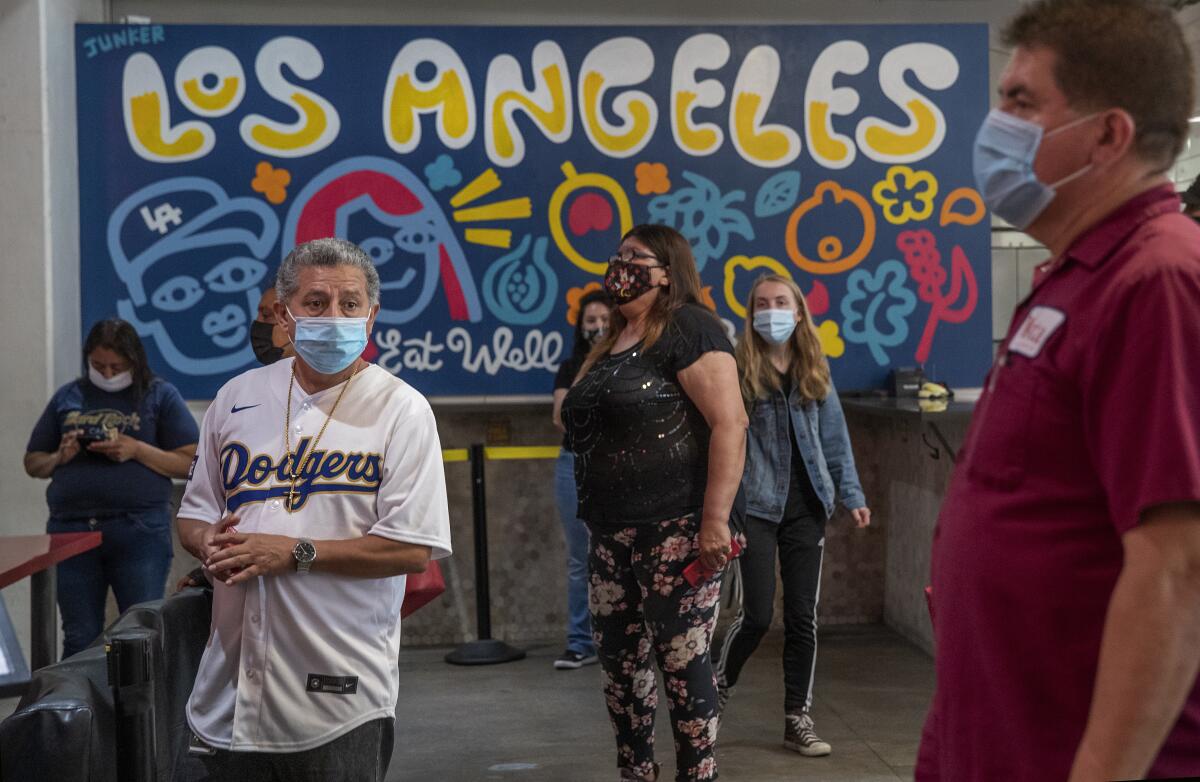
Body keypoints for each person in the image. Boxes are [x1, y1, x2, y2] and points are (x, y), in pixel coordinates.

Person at [917, 1, 1200, 780]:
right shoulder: (1076, 278)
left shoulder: (1159, 282)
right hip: (1003, 739)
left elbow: (1176, 570)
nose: (994, 123)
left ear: (1108, 135)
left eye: (1020, 101)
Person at [176, 237, 452, 781]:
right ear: (284, 313)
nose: (333, 316)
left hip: (338, 696)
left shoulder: (402, 410)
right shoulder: (235, 398)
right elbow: (195, 512)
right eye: (316, 302)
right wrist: (206, 541)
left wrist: (292, 552)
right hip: (224, 695)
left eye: (350, 305)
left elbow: (412, 549)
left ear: (371, 318)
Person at [561, 225, 747, 782]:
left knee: (682, 666)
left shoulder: (690, 327)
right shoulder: (611, 341)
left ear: (668, 270)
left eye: (635, 258)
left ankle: (698, 774)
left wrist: (714, 521)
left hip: (676, 530)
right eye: (616, 257)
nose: (619, 266)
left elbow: (730, 423)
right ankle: (636, 771)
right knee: (620, 671)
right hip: (610, 533)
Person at [715, 274, 870, 757]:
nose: (771, 311)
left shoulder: (813, 369)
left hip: (807, 508)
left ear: (798, 311)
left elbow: (834, 439)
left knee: (804, 618)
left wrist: (852, 494)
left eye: (781, 302)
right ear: (751, 314)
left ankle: (797, 718)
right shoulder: (738, 369)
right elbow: (725, 438)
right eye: (762, 304)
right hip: (757, 507)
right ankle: (716, 689)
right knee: (757, 616)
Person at [23, 319, 199, 659]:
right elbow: (33, 462)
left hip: (138, 528)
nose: (106, 373)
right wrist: (62, 455)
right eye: (98, 366)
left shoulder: (158, 395)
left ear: (134, 361)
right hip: (71, 529)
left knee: (140, 631)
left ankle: (140, 711)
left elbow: (193, 461)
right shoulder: (69, 397)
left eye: (116, 367)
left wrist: (135, 450)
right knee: (79, 634)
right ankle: (79, 709)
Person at [550, 289, 613, 670]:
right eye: (591, 321)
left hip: (619, 465)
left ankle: (625, 642)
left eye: (605, 320)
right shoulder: (571, 365)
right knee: (580, 561)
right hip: (573, 463)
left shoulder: (632, 360)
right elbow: (562, 417)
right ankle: (580, 642)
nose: (598, 327)